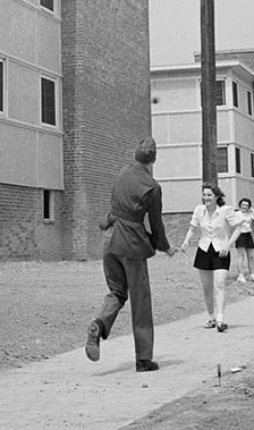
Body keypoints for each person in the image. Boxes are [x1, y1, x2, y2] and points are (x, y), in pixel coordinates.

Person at [85, 137, 177, 372]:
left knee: (116, 292)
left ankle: (99, 323)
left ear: (136, 155)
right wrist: (165, 247)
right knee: (141, 301)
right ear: (154, 160)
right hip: (131, 244)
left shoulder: (122, 173)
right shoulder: (153, 187)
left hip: (109, 239)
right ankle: (143, 359)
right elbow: (156, 224)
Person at [180, 184, 241, 332]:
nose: (206, 198)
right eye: (204, 195)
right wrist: (186, 241)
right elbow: (192, 228)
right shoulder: (199, 210)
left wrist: (228, 245)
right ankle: (211, 317)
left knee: (219, 284)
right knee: (207, 288)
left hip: (221, 251)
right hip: (204, 249)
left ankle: (220, 319)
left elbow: (237, 229)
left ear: (217, 197)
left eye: (209, 195)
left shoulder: (226, 210)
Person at [234, 197, 254, 283]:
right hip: (240, 234)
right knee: (241, 256)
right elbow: (234, 224)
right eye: (243, 205)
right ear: (240, 205)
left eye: (246, 205)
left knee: (251, 256)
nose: (244, 206)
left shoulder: (249, 213)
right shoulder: (237, 213)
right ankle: (240, 275)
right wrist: (241, 222)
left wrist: (252, 210)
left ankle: (252, 274)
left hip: (248, 234)